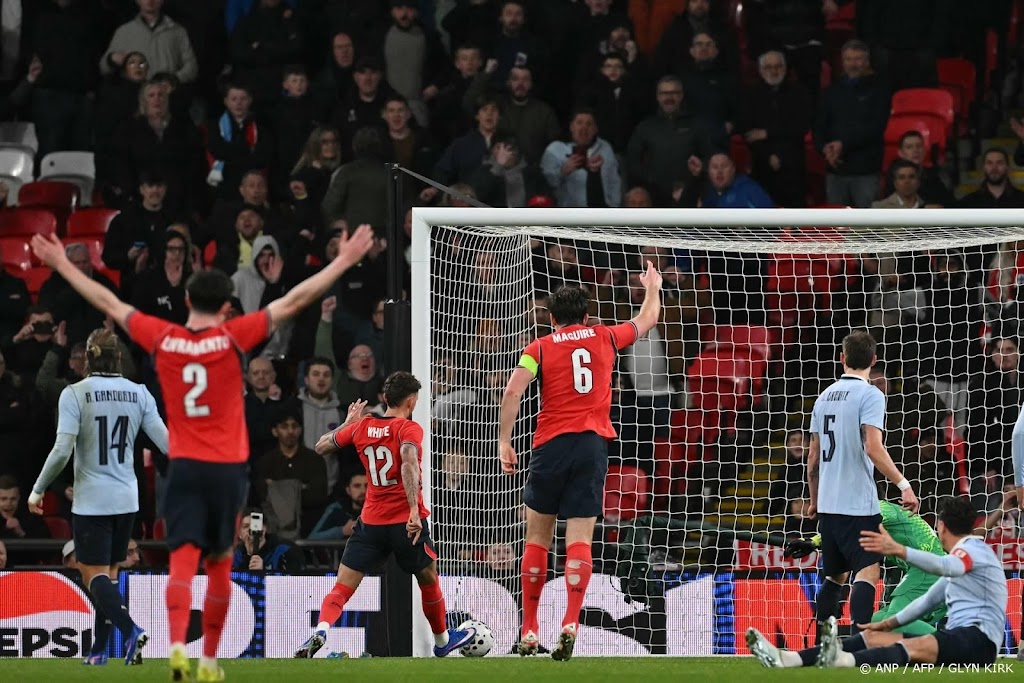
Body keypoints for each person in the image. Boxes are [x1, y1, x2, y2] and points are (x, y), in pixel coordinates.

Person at [29, 224, 374, 682]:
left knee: (182, 560)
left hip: (185, 467)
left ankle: (176, 645)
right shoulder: (233, 336)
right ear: (227, 305)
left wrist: (60, 263)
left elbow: (108, 302)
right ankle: (208, 659)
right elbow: (294, 300)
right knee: (218, 565)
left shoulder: (165, 337)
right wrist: (344, 259)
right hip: (226, 469)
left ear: (187, 300)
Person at [498, 263, 663, 659]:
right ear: (586, 316)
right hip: (591, 446)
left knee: (537, 539)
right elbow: (648, 319)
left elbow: (513, 390)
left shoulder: (538, 348)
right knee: (579, 540)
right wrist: (652, 287)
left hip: (550, 446)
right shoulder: (605, 336)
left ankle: (530, 629)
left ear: (551, 318)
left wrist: (504, 440)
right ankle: (571, 620)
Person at [295, 372, 475, 658]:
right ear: (411, 401)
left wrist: (347, 424)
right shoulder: (408, 428)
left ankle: (322, 630)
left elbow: (321, 446)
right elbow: (408, 462)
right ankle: (442, 641)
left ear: (385, 398)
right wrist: (414, 510)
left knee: (342, 587)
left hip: (370, 523)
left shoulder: (362, 426)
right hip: (405, 522)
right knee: (428, 579)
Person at [27, 327, 168, 666]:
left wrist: (39, 488)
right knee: (109, 576)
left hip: (92, 499)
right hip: (127, 499)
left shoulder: (74, 394)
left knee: (92, 575)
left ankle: (131, 630)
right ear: (118, 357)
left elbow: (62, 450)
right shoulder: (140, 393)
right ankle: (98, 651)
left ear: (87, 360)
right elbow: (168, 445)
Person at [750, 496, 1008, 670]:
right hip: (925, 578)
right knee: (875, 627)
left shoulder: (877, 509)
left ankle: (939, 646)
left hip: (927, 575)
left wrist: (899, 550)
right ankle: (790, 658)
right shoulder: (966, 556)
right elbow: (929, 600)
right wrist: (889, 623)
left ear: (941, 526)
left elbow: (946, 566)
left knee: (898, 630)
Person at [807, 330, 919, 642]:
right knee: (868, 571)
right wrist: (903, 484)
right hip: (857, 504)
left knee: (835, 576)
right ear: (873, 360)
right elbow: (873, 447)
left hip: (828, 505)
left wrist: (814, 501)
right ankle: (861, 642)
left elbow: (813, 457)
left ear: (841, 358)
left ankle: (822, 644)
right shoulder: (871, 395)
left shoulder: (823, 397)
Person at [783, 500, 947, 637]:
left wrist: (814, 541)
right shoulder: (880, 521)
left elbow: (855, 525)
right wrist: (814, 542)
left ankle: (950, 648)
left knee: (895, 622)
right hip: (930, 572)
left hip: (928, 570)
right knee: (873, 628)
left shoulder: (879, 507)